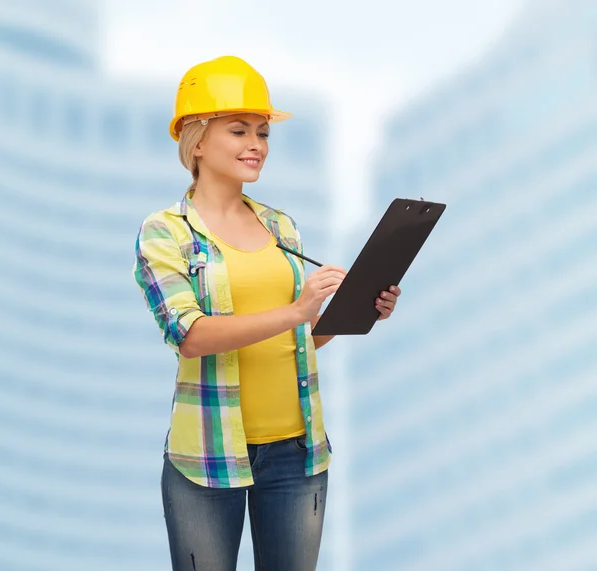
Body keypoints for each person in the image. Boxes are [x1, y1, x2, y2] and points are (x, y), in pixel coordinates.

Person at [133, 55, 401, 571]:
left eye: (262, 132)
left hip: (298, 455)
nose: (256, 144)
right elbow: (190, 335)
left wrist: (358, 311)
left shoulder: (281, 229)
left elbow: (299, 340)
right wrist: (296, 310)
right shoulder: (165, 232)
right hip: (208, 459)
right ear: (197, 138)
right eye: (238, 131)